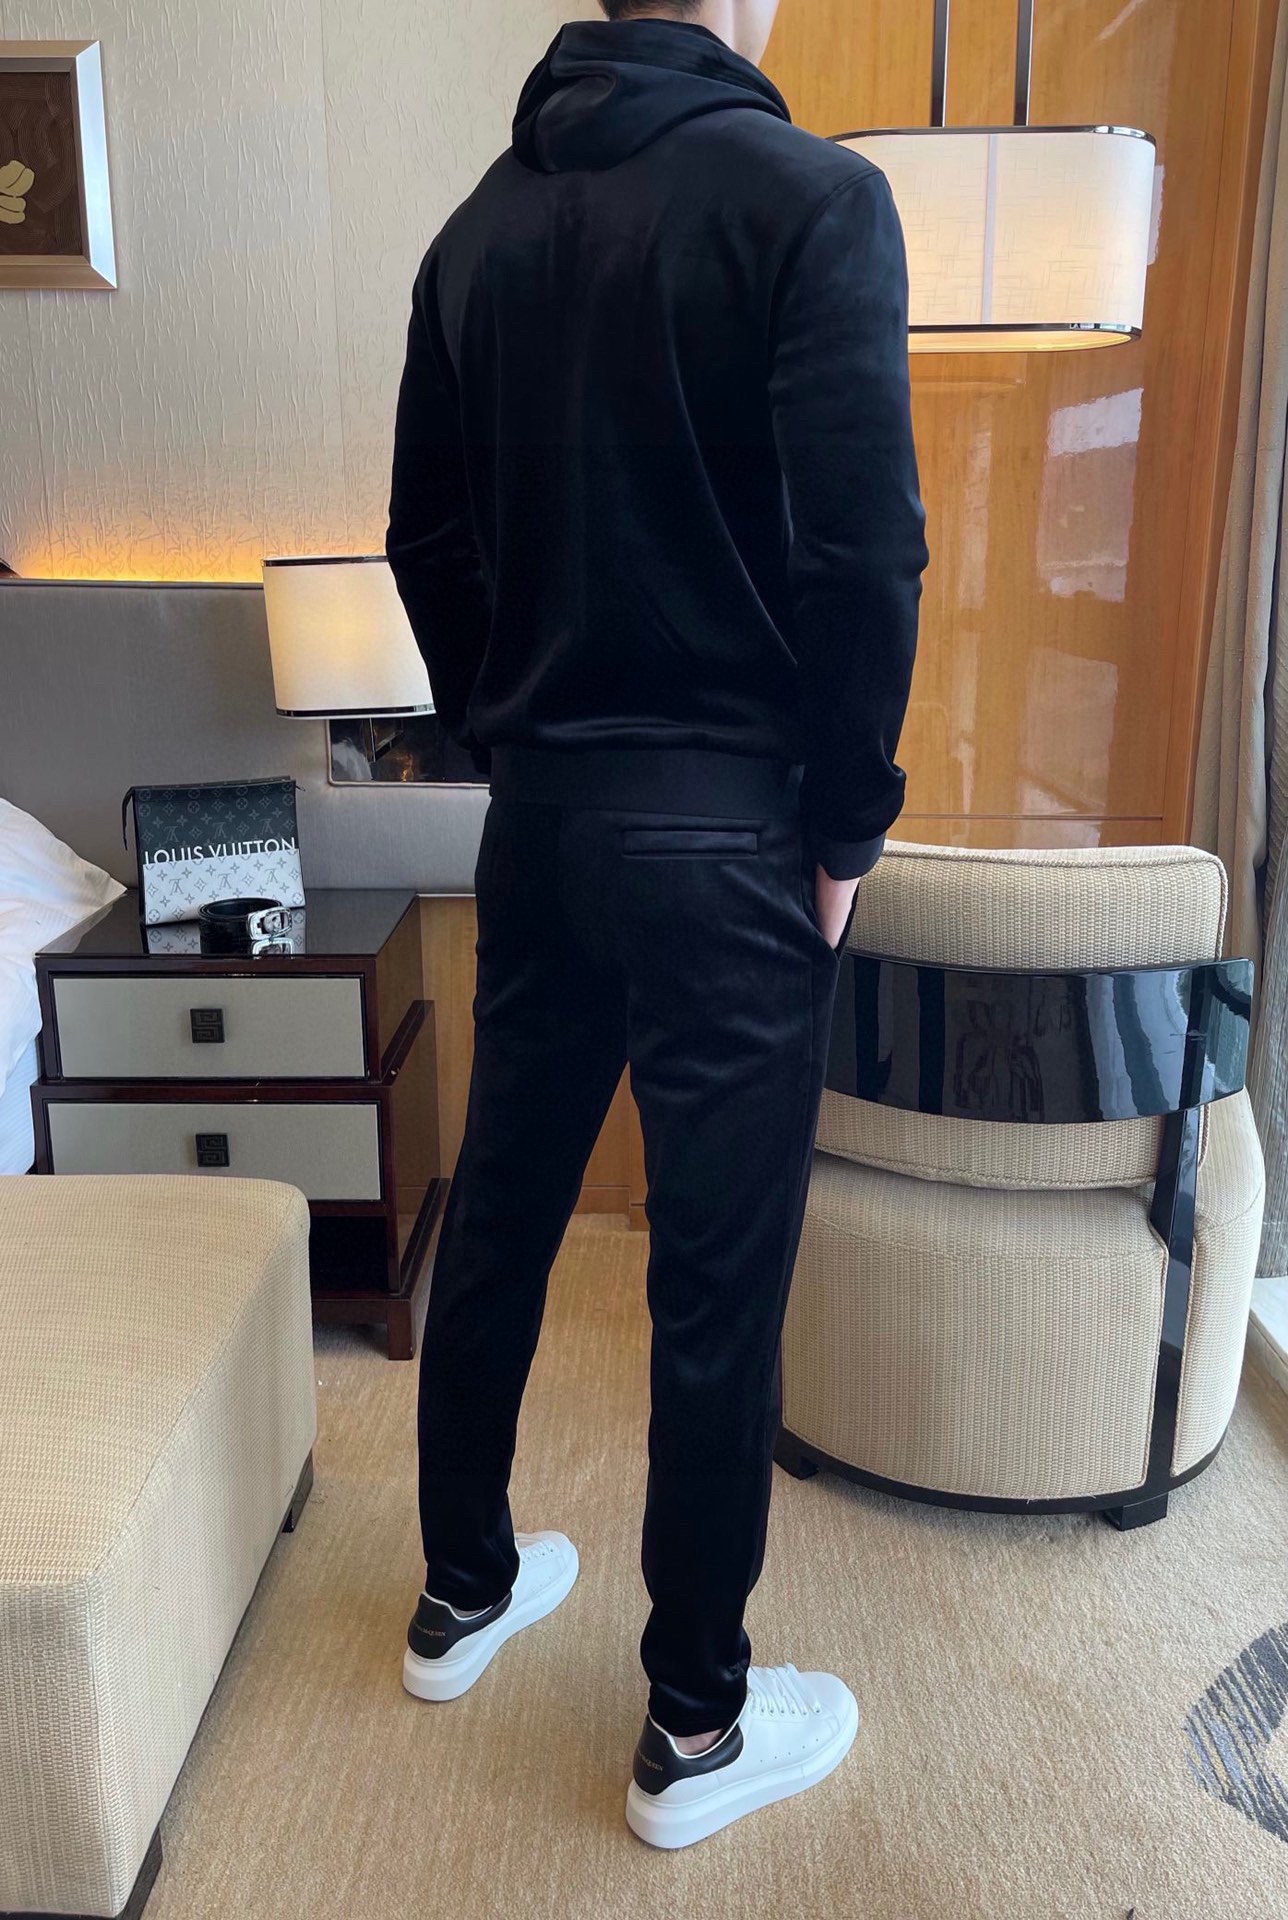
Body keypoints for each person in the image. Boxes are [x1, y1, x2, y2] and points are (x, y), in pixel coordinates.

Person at [386, 0, 928, 1850]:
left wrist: (517, 739)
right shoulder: (812, 199)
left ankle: (462, 1589)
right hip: (731, 834)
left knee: (504, 1204)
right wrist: (847, 823)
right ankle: (694, 1726)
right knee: (714, 1278)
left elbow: (425, 544)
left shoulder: (471, 233)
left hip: (541, 822)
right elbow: (866, 553)